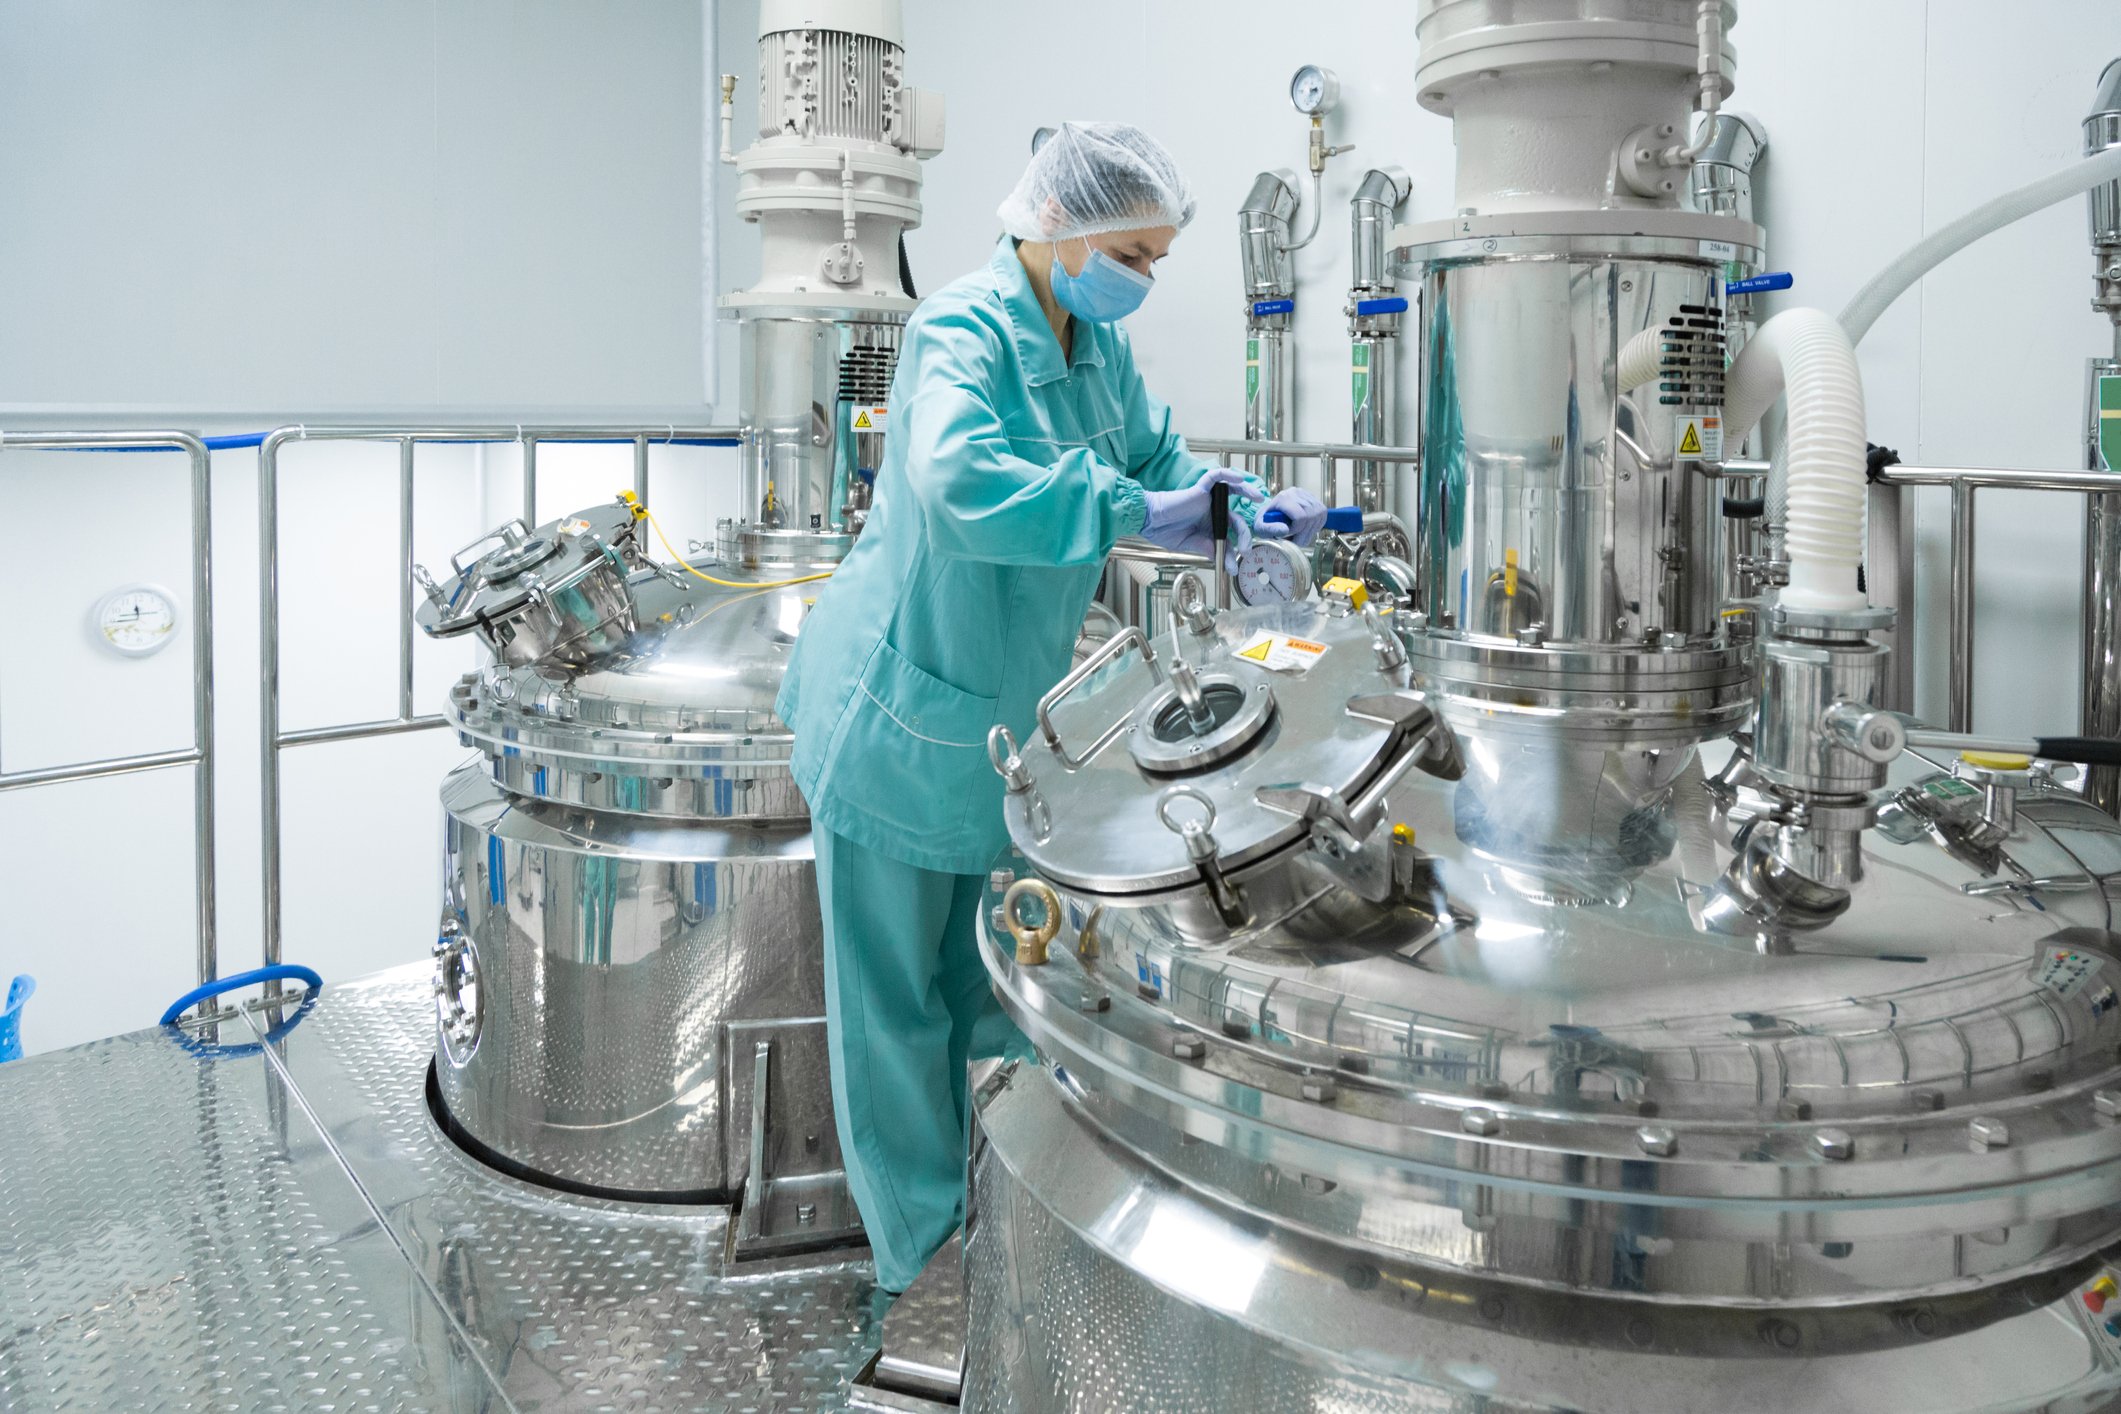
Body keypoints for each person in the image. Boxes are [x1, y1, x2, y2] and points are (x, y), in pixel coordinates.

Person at [774, 121, 1328, 1294]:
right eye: (1132, 254)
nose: (1143, 279)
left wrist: (1238, 506)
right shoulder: (959, 331)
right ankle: (923, 1274)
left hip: (996, 734)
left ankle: (1003, 1235)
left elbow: (1160, 465)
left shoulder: (1094, 350)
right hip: (894, 719)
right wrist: (1127, 510)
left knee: (992, 986)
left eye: (1156, 260)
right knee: (893, 1017)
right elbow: (960, 484)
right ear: (1060, 224)